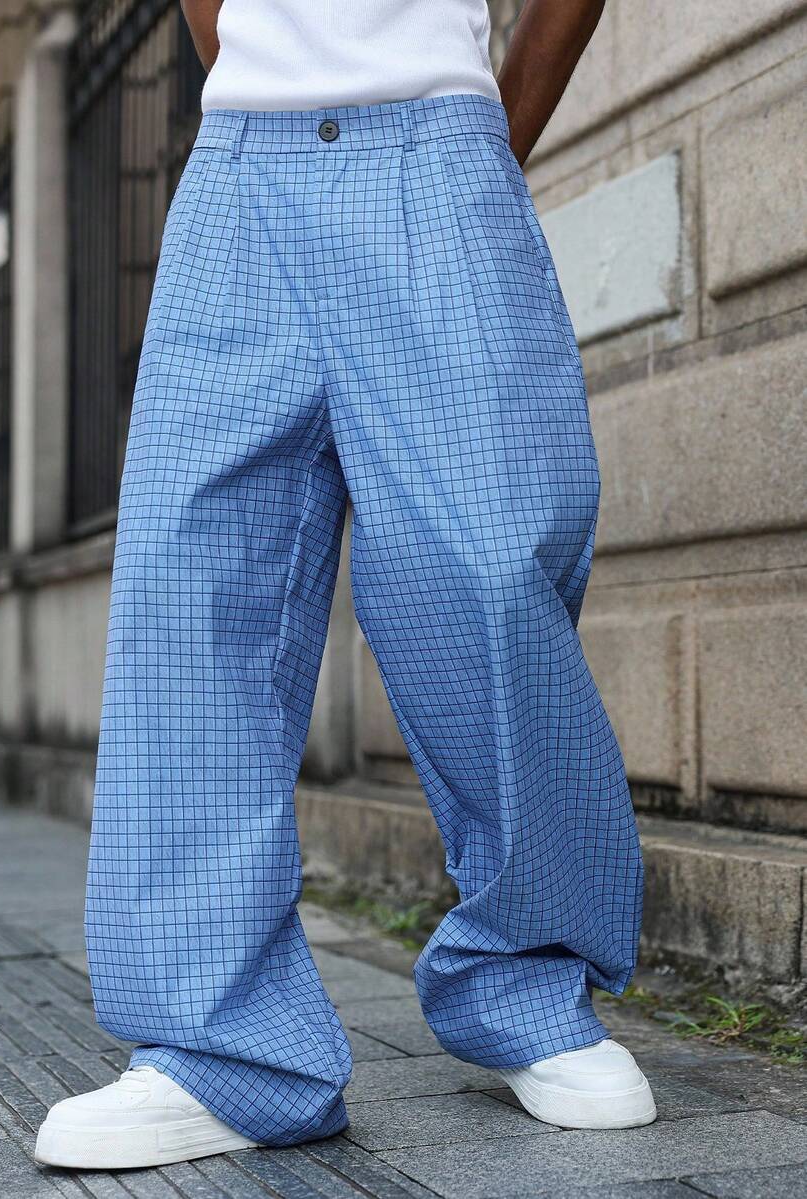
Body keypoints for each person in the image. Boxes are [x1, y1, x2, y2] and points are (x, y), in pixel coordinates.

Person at [36, 0, 656, 1171]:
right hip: (239, 174)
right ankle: (221, 1047)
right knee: (194, 587)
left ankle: (527, 983)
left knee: (486, 569)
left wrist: (485, 135)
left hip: (438, 146)